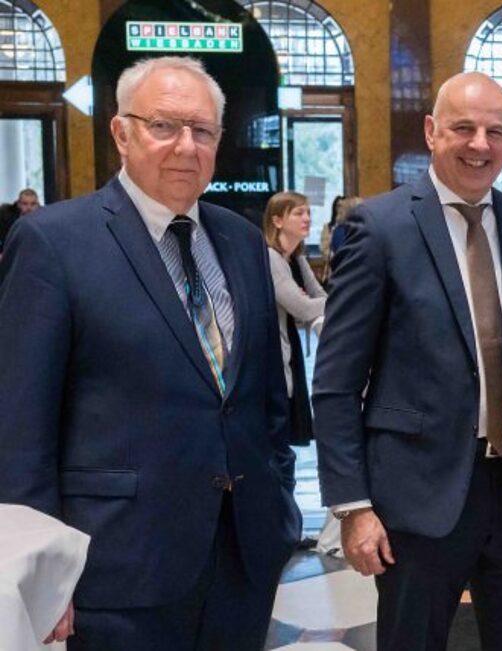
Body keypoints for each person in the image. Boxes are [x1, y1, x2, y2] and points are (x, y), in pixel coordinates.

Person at [0, 56, 298, 649]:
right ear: (121, 132)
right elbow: (19, 424)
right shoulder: (54, 243)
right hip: (116, 567)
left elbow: (263, 398)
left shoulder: (239, 240)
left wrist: (279, 503)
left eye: (203, 130)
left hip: (242, 557)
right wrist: (38, 571)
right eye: (165, 126)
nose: (186, 146)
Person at [313, 72, 502, 651]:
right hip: (417, 496)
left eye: (495, 131)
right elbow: (335, 380)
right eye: (464, 128)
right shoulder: (379, 227)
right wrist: (353, 507)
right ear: (432, 132)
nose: (480, 144)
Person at [263, 191, 326, 447]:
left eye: (308, 213)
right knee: (279, 442)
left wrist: (318, 304)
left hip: (290, 348)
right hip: (272, 355)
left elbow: (319, 297)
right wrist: (336, 303)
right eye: (299, 213)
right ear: (277, 221)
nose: (307, 219)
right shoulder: (271, 257)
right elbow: (303, 308)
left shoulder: (297, 259)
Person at [0, 187, 40, 253]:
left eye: (33, 204)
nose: (29, 208)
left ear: (38, 205)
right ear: (19, 204)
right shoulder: (6, 218)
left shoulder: (44, 220)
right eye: (25, 204)